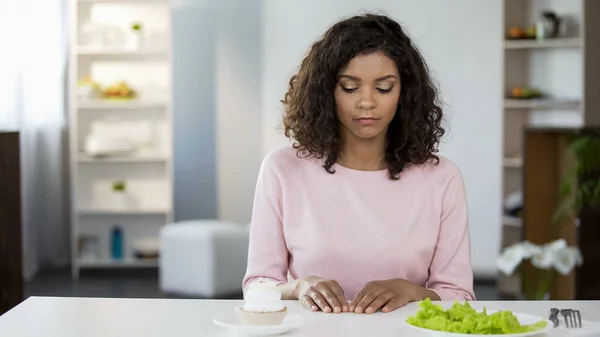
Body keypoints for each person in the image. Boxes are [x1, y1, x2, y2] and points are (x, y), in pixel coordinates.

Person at [242, 12, 475, 315]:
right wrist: (300, 286)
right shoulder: (282, 169)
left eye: (383, 88)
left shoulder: (442, 178)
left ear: (404, 93)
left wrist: (412, 291)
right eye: (350, 88)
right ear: (326, 92)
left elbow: (459, 295)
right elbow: (258, 286)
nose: (367, 102)